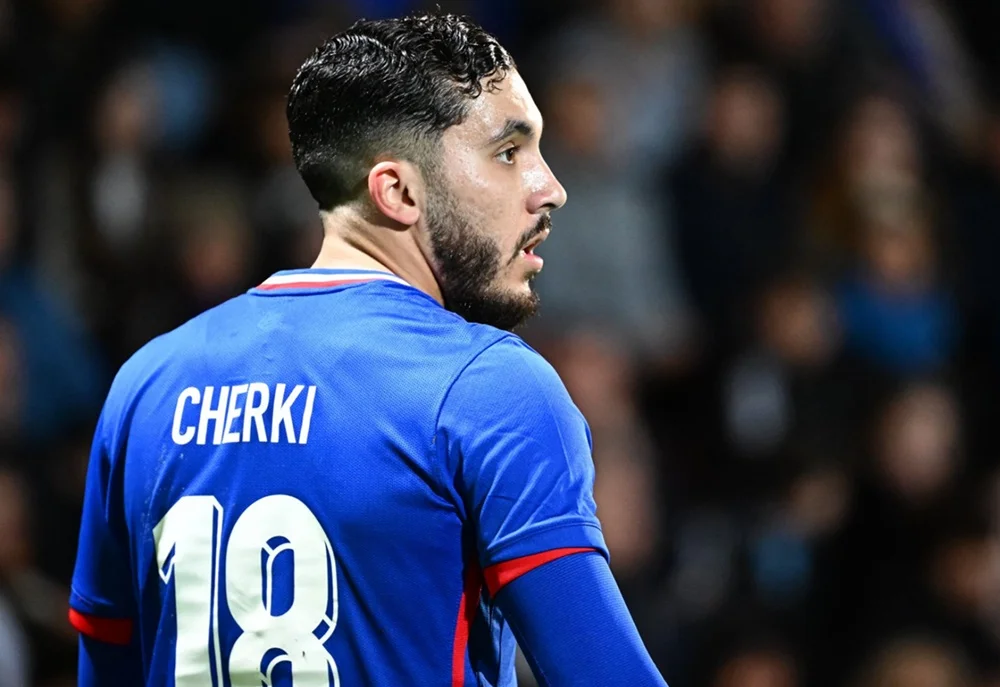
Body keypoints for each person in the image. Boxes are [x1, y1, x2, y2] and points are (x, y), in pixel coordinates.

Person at [68, 12, 667, 687]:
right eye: (509, 152)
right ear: (398, 191)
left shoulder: (144, 385)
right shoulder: (489, 388)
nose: (550, 187)